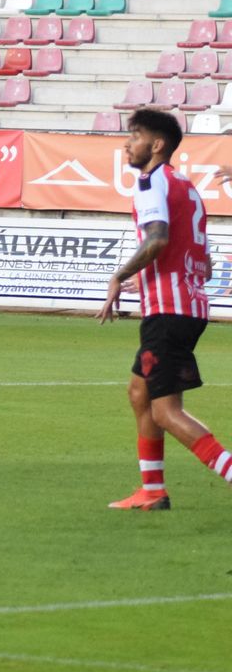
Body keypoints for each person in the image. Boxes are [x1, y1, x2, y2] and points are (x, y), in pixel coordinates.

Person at [101, 111, 232, 510]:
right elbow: (199, 260)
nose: (127, 144)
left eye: (135, 136)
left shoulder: (150, 181)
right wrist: (142, 280)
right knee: (139, 391)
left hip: (170, 312)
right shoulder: (185, 186)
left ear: (157, 145)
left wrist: (118, 275)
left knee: (166, 411)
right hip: (186, 306)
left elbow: (156, 240)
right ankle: (152, 490)